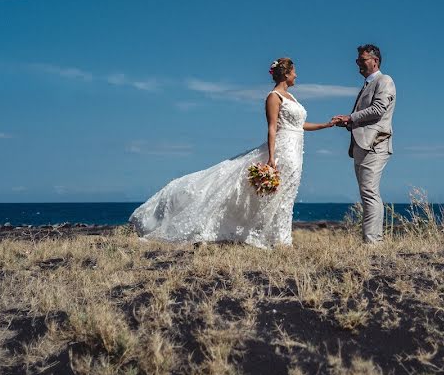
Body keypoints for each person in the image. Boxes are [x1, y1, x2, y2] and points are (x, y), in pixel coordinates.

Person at [129, 57, 340, 249]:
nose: (297, 76)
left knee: (287, 194)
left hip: (297, 150)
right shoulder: (274, 97)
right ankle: (278, 240)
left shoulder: (291, 96)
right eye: (294, 72)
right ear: (286, 74)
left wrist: (326, 125)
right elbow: (272, 128)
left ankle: (280, 238)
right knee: (272, 193)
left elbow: (299, 125)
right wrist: (270, 158)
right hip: (282, 149)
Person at [332, 44, 396, 244]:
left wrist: (350, 118)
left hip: (375, 145)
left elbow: (378, 109)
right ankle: (371, 240)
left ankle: (373, 242)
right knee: (366, 191)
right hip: (362, 145)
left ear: (375, 61)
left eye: (362, 60)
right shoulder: (367, 84)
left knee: (369, 192)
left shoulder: (384, 81)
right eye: (357, 60)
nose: (358, 63)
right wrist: (350, 123)